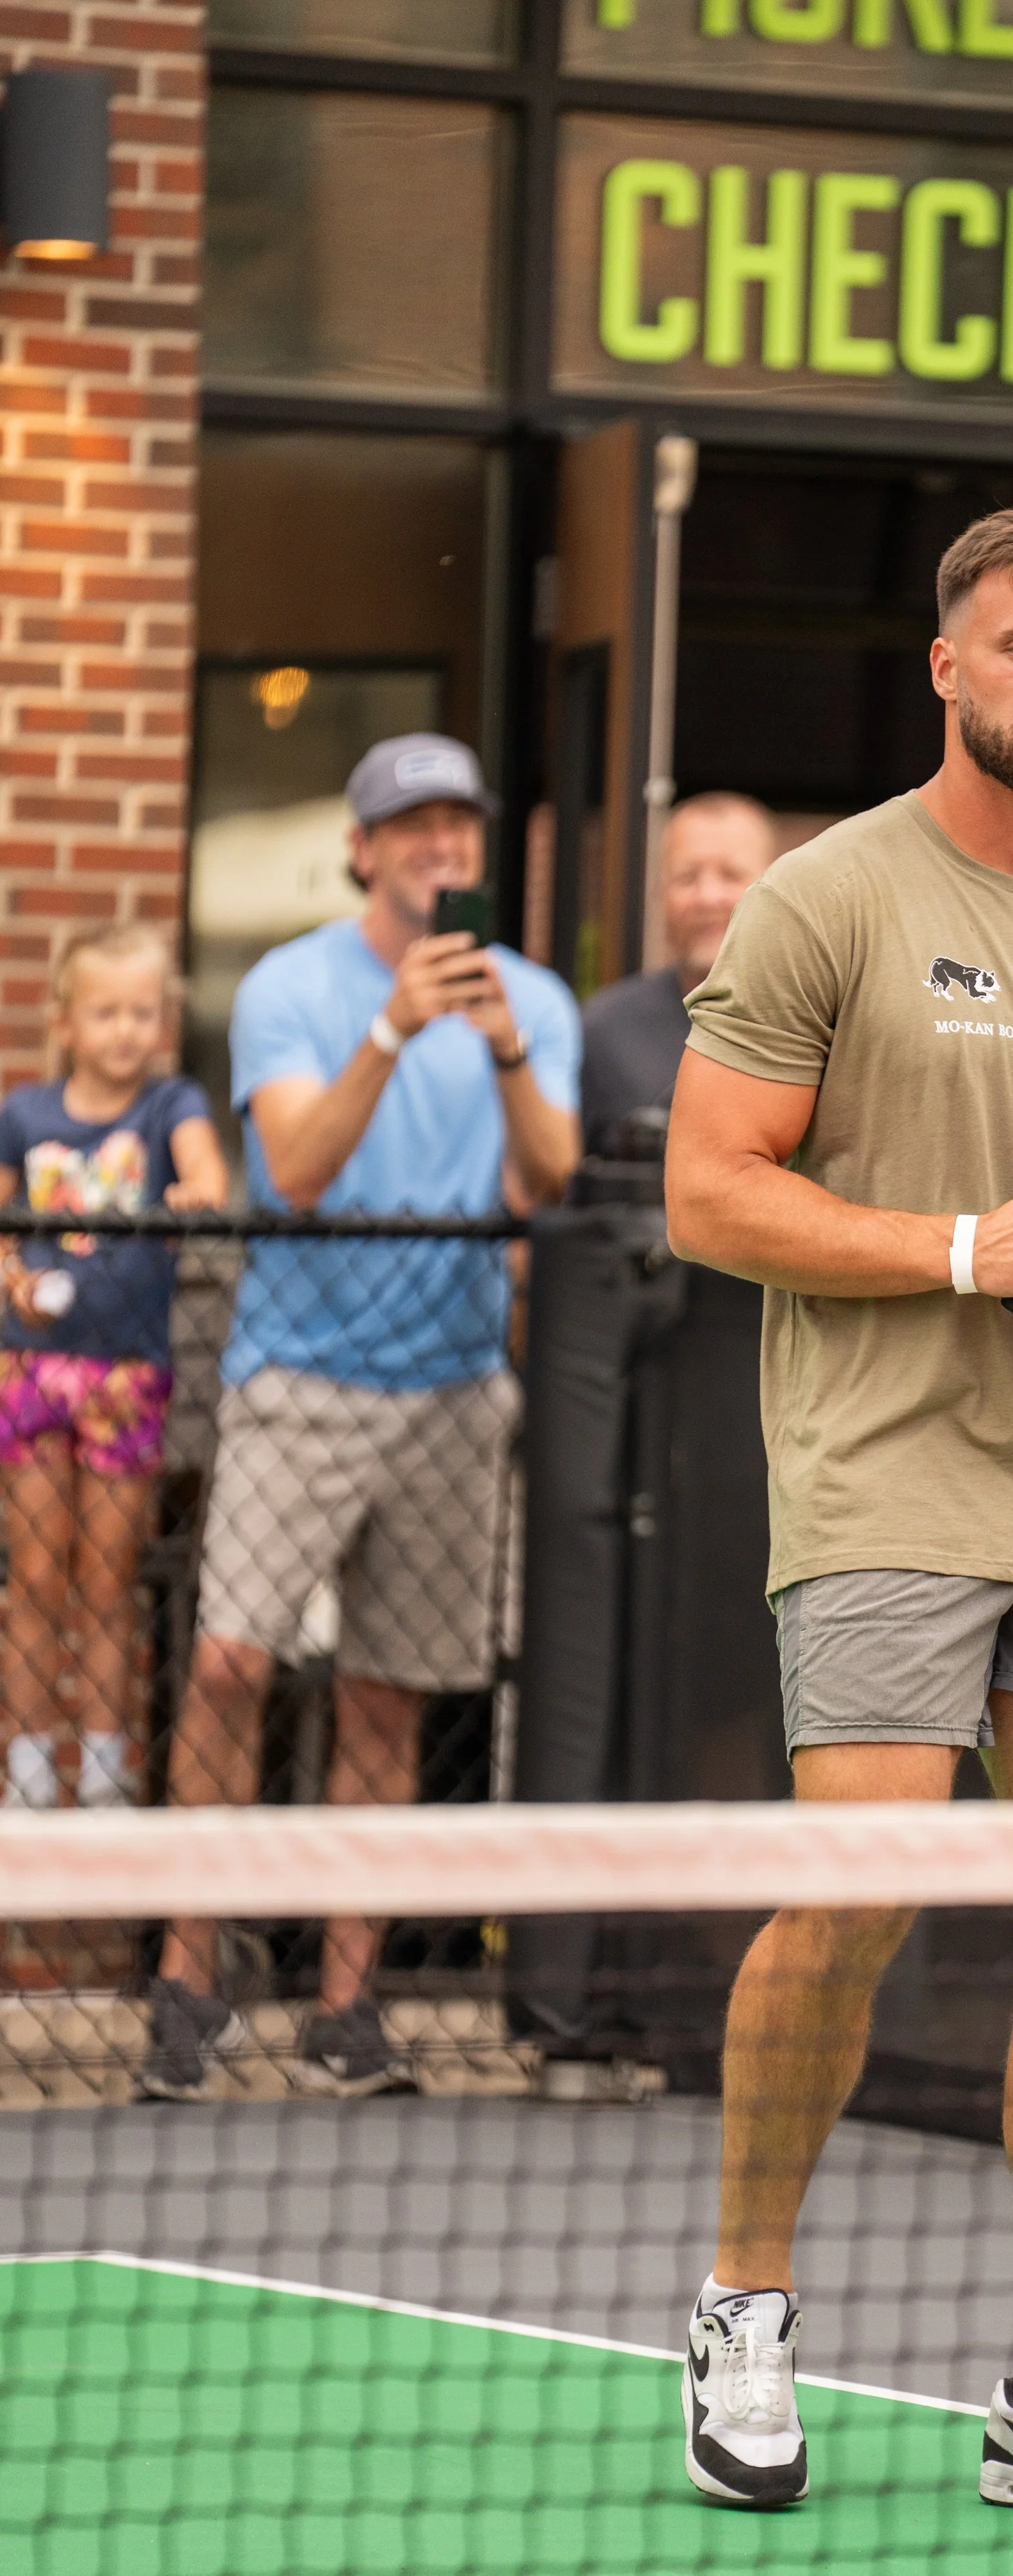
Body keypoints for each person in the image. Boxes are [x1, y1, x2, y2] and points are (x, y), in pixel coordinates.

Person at [665, 508, 1013, 2526]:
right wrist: (963, 1240)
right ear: (946, 666)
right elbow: (710, 1190)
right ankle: (741, 2302)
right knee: (858, 1896)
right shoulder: (821, 900)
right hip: (883, 1470)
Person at [137, 733, 580, 2104]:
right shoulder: (288, 985)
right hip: (299, 1375)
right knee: (227, 1666)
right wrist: (393, 1027)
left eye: (459, 825)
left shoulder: (537, 1001)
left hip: (451, 1387)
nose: (440, 848)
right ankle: (186, 1978)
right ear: (363, 847)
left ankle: (347, 2009)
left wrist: (504, 1049)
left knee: (387, 1700)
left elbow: (551, 1185)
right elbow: (303, 1174)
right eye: (413, 827)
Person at [0, 925, 226, 1812]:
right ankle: (23, 1763)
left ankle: (101, 1764)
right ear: (65, 1023)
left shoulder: (171, 1107)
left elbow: (206, 1177)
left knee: (107, 1579)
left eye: (144, 1012)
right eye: (106, 1012)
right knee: (34, 1578)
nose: (127, 1030)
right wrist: (13, 1277)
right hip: (31, 1368)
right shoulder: (24, 1115)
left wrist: (192, 1196)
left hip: (127, 1374)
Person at [581, 794, 779, 1156]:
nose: (707, 897)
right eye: (687, 878)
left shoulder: (821, 1026)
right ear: (660, 895)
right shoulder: (603, 1032)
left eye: (731, 875)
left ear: (777, 890)